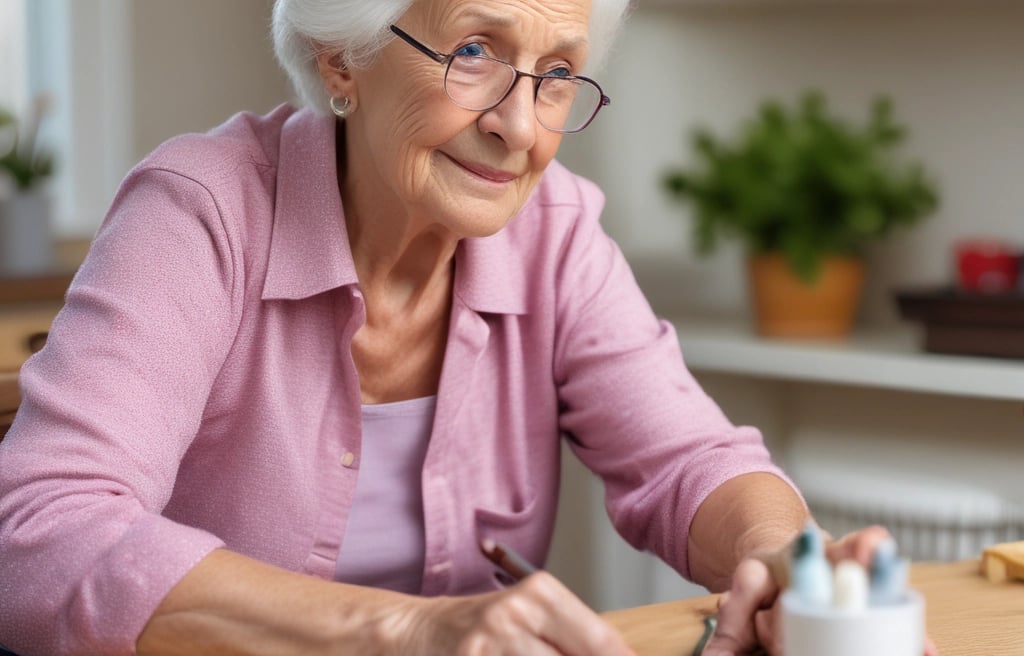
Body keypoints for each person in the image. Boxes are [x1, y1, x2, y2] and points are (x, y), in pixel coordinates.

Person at [0, 1, 935, 655]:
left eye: (558, 74)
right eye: (477, 50)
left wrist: (779, 559)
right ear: (342, 58)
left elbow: (689, 458)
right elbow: (41, 533)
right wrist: (404, 629)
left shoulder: (555, 232)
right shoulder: (200, 213)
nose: (520, 128)